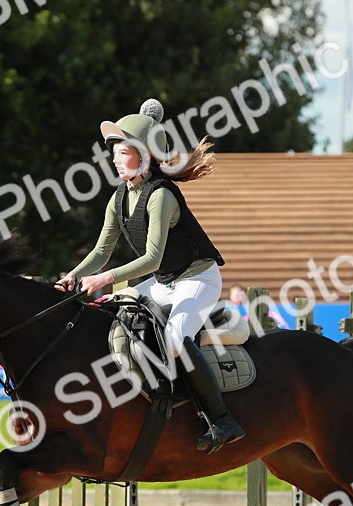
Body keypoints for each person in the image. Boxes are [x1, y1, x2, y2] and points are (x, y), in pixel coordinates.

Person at [56, 99, 245, 454]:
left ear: (144, 156)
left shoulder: (161, 196)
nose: (115, 158)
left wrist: (104, 279)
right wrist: (72, 276)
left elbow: (152, 258)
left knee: (175, 337)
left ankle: (222, 420)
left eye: (123, 151)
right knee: (110, 312)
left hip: (198, 280)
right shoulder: (118, 199)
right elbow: (100, 252)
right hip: (163, 284)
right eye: (113, 151)